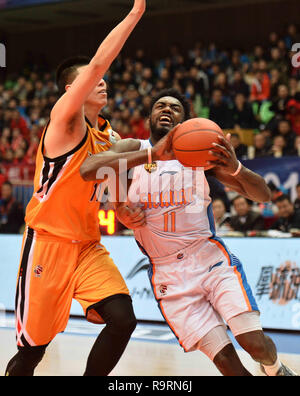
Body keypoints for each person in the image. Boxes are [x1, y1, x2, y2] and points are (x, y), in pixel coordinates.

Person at [80, 88, 297, 376]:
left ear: (185, 122)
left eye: (174, 108)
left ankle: (274, 368)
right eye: (160, 106)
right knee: (226, 364)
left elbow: (263, 195)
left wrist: (236, 169)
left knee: (254, 344)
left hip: (209, 260)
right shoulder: (130, 148)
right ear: (150, 117)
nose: (166, 109)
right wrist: (121, 208)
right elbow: (88, 170)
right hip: (169, 275)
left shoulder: (199, 153)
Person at [5, 0, 146, 377]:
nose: (103, 80)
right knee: (32, 352)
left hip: (86, 246)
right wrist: (135, 14)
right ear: (72, 89)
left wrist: (124, 209)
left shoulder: (109, 135)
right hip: (47, 245)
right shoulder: (64, 121)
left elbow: (115, 198)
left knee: (123, 319)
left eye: (103, 79)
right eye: (92, 77)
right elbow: (99, 63)